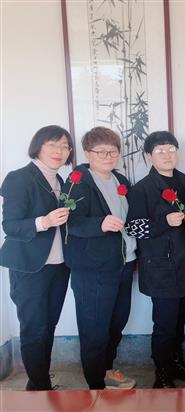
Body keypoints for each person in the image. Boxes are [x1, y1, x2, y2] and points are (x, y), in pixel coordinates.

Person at [63, 126, 137, 390]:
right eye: (101, 151)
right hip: (93, 268)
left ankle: (106, 370)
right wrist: (100, 224)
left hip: (124, 264)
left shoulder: (121, 180)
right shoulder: (77, 181)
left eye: (113, 151)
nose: (108, 156)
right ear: (87, 153)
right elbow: (68, 222)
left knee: (117, 322)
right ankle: (95, 386)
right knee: (94, 328)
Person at [0, 125, 74, 390]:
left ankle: (40, 379)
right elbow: (10, 226)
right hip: (30, 266)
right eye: (52, 144)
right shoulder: (19, 178)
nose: (59, 151)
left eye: (65, 146)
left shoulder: (62, 181)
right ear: (38, 147)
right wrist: (44, 221)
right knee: (34, 327)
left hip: (59, 266)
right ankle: (39, 387)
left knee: (49, 324)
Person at [125, 131, 185, 388]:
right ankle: (162, 372)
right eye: (160, 151)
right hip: (161, 267)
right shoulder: (142, 189)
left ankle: (175, 362)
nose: (167, 155)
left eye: (171, 150)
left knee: (182, 318)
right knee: (164, 323)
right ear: (149, 156)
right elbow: (133, 227)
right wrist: (164, 222)